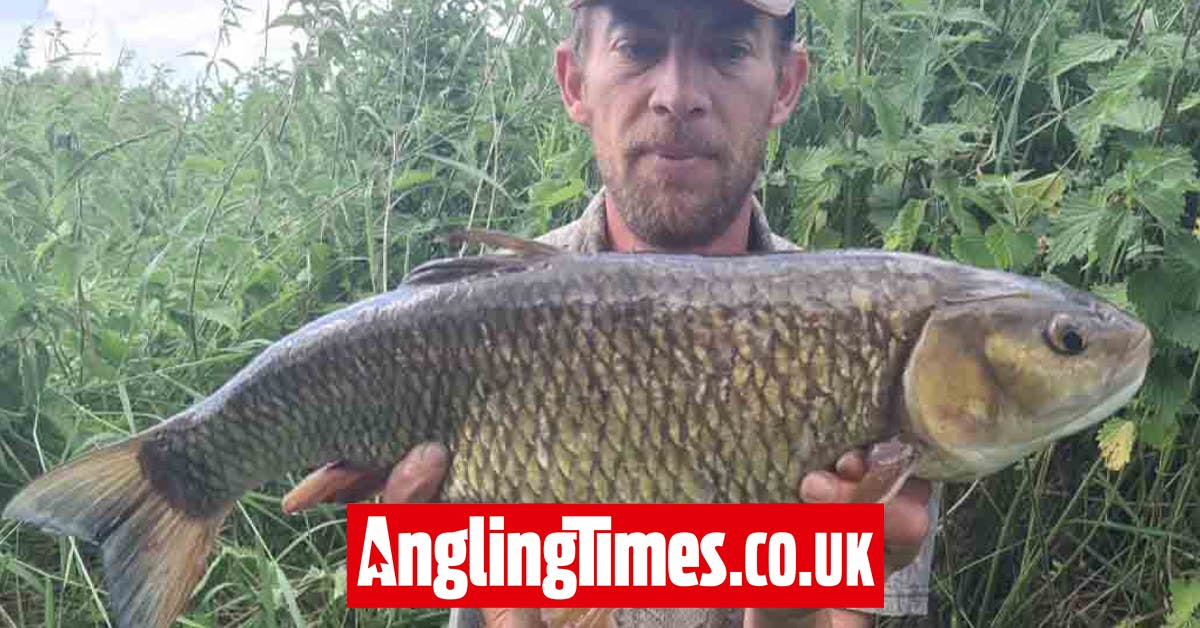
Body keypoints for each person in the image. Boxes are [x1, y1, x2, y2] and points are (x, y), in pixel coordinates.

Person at [287, 0, 939, 625]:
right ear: (574, 80)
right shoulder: (464, 321)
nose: (677, 94)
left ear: (787, 85)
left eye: (729, 49)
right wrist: (449, 556)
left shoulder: (871, 334)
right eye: (639, 46)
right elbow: (415, 562)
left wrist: (802, 587)